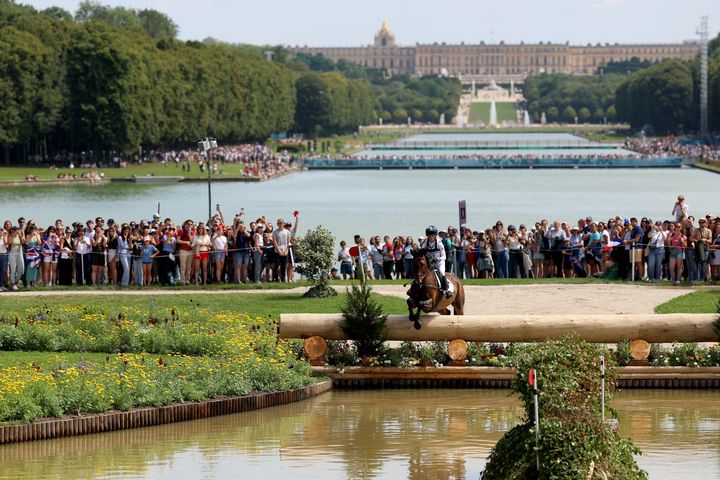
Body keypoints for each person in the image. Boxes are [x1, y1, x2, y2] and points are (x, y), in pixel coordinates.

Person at [419, 225, 451, 298]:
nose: (431, 237)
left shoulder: (439, 243)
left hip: (439, 262)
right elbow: (421, 251)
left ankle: (446, 290)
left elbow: (444, 257)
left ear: (435, 235)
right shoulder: (425, 243)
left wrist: (437, 259)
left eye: (432, 235)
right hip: (430, 263)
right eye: (429, 235)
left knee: (441, 272)